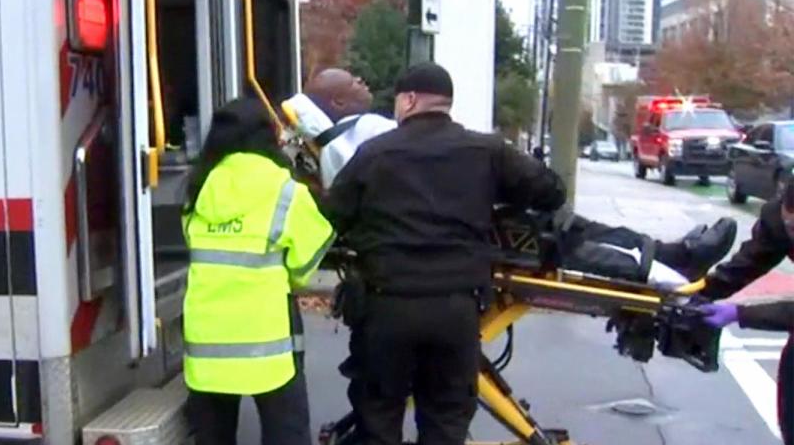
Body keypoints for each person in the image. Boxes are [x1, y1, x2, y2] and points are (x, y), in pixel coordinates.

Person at [320, 63, 568, 445]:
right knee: (445, 420)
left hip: (387, 307)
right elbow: (550, 191)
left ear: (409, 100)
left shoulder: (375, 154)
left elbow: (332, 216)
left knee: (379, 416)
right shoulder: (486, 152)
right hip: (455, 306)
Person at [284, 68, 737, 288]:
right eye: (355, 82)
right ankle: (663, 266)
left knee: (566, 226)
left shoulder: (360, 139)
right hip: (468, 239)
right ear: (339, 104)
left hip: (428, 249)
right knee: (561, 236)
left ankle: (669, 256)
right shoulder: (366, 137)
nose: (367, 83)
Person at [181, 98, 335, 445]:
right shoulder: (286, 191)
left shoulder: (199, 189)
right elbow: (303, 268)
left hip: (207, 347)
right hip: (269, 350)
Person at [696, 178, 794, 445]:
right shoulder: (777, 220)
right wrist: (697, 293)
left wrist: (739, 313)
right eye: (792, 227)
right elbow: (747, 264)